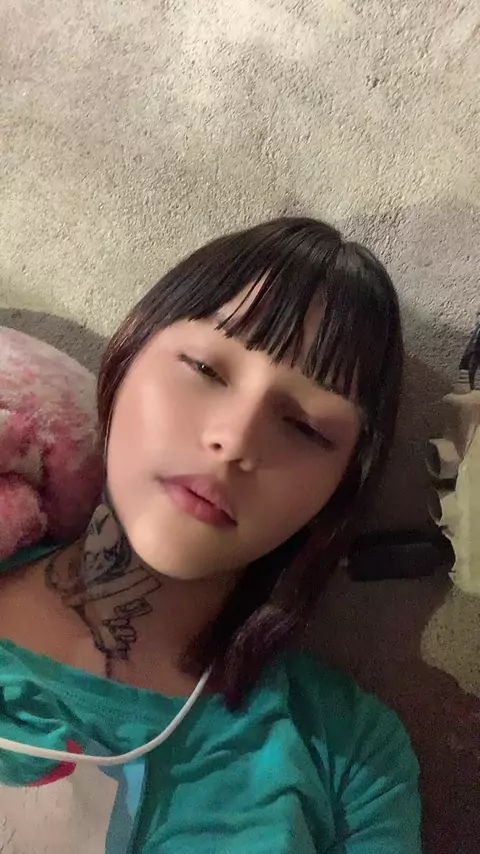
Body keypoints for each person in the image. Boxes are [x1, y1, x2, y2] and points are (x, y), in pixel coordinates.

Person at [0, 217, 421, 853]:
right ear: (126, 355)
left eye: (306, 427)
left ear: (339, 490)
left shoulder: (353, 758)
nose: (235, 438)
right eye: (204, 368)